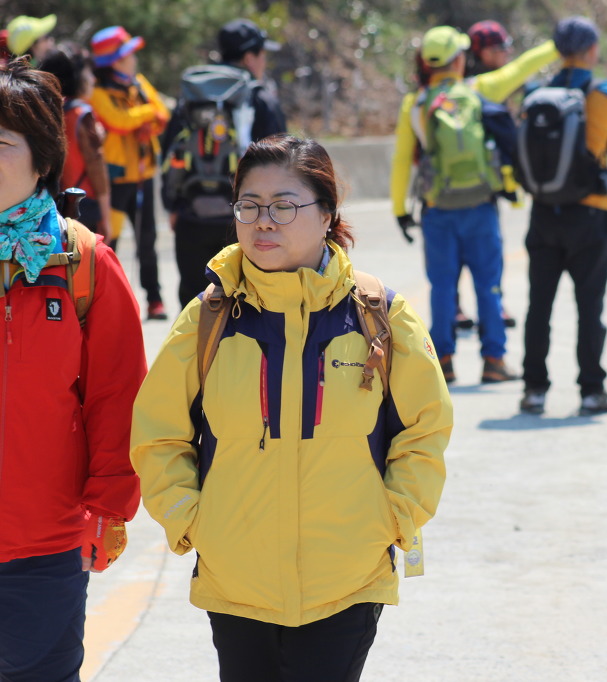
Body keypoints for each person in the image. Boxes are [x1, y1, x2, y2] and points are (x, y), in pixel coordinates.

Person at [130, 134, 451, 680]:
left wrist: (391, 519)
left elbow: (425, 430)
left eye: (283, 206)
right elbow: (158, 434)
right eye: (249, 206)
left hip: (347, 580)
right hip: (237, 581)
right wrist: (194, 522)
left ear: (326, 214)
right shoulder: (207, 318)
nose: (263, 222)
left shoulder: (379, 315)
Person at [0, 58, 146, 681]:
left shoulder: (82, 262)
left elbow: (119, 396)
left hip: (46, 541)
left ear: (42, 159)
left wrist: (108, 508)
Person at [390, 25, 556, 384]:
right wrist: (557, 45)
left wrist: (400, 210)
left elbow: (402, 160)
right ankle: (494, 361)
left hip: (438, 209)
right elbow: (522, 68)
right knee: (488, 286)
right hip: (480, 206)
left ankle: (444, 361)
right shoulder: (478, 89)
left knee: (442, 287)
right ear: (458, 60)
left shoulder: (415, 104)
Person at [519, 16, 607, 416]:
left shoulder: (536, 94)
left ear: (558, 51)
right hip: (590, 214)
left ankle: (534, 390)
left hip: (543, 213)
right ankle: (591, 391)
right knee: (589, 306)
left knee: (539, 305)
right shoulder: (604, 93)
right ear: (592, 50)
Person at [161, 18, 287, 310]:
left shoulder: (191, 99)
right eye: (262, 54)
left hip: (191, 217)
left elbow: (168, 151)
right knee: (247, 305)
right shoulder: (259, 99)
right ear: (249, 57)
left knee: (195, 305)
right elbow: (283, 163)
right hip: (245, 220)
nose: (264, 61)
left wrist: (173, 206)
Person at [89, 25, 170, 320]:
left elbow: (163, 113)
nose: (134, 59)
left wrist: (146, 118)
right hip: (116, 180)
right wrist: (146, 115)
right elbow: (118, 120)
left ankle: (154, 299)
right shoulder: (97, 92)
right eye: (128, 54)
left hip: (143, 176)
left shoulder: (139, 83)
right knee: (109, 241)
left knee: (147, 240)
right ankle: (105, 301)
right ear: (114, 62)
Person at [39, 43, 113, 239]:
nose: (93, 79)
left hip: (47, 207)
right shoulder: (82, 115)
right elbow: (97, 169)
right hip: (82, 207)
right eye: (89, 73)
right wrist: (106, 218)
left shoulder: (42, 111)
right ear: (76, 76)